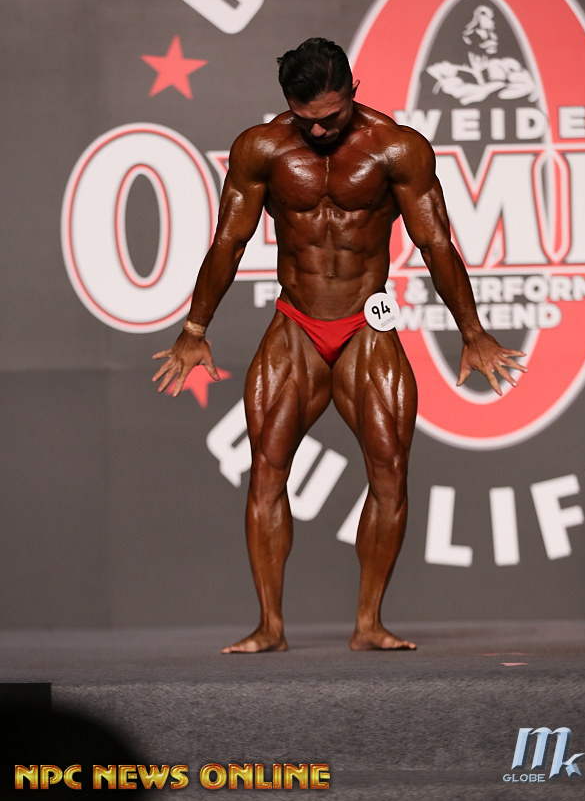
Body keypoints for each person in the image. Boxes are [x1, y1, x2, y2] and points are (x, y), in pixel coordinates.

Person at [152, 38, 526, 653]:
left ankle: (369, 622)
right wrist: (195, 330)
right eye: (307, 120)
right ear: (287, 104)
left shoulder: (397, 149)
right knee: (266, 471)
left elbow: (435, 243)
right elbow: (228, 242)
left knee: (390, 471)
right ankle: (269, 626)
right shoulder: (261, 149)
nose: (320, 131)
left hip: (365, 328)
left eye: (332, 116)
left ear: (354, 90)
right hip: (295, 324)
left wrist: (473, 332)